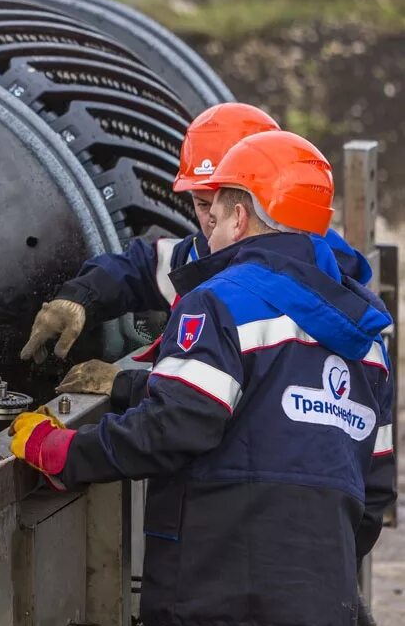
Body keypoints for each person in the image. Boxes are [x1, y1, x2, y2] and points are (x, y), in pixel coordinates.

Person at [8, 130, 396, 626]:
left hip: (218, 597)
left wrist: (62, 451)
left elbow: (176, 425)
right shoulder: (366, 339)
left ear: (240, 216)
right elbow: (373, 490)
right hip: (319, 601)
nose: (205, 226)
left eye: (213, 211)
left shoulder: (220, 302)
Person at [20, 103, 373, 404]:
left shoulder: (317, 291)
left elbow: (237, 403)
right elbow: (144, 267)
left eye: (217, 204)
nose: (209, 219)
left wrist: (128, 385)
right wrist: (78, 298)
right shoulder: (208, 256)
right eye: (200, 204)